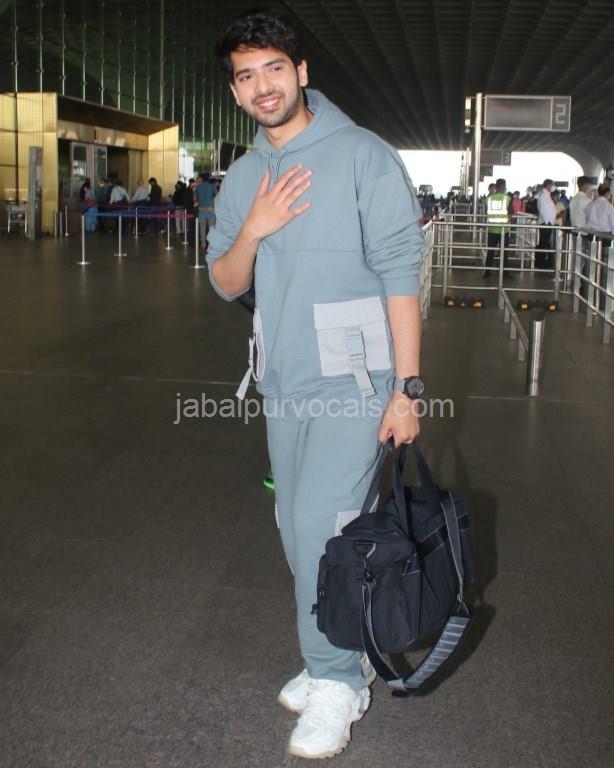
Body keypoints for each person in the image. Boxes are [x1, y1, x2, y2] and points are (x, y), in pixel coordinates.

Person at [209, 9, 423, 759]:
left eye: (274, 68)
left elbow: (401, 273)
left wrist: (408, 389)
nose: (262, 86)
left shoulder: (364, 155)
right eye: (246, 75)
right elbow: (224, 279)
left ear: (301, 72)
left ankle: (336, 679)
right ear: (235, 91)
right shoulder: (244, 176)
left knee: (324, 527)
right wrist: (255, 226)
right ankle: (342, 649)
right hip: (284, 381)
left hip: (355, 383)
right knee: (294, 528)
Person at [483, 178, 513, 279]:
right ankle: (505, 273)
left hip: (492, 229)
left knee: (490, 251)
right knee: (504, 252)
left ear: (496, 186)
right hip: (504, 230)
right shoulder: (507, 198)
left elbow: (487, 212)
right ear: (504, 186)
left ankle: (487, 272)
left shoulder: (489, 199)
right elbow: (510, 214)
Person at [536, 178, 556, 269]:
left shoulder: (546, 195)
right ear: (548, 185)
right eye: (552, 185)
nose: (553, 187)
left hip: (547, 222)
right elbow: (543, 209)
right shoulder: (544, 196)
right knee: (543, 243)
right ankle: (541, 263)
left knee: (544, 242)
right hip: (546, 222)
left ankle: (542, 262)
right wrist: (547, 221)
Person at [194, 172, 217, 250]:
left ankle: (203, 244)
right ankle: (211, 244)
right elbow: (217, 195)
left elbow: (194, 199)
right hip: (211, 208)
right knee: (211, 228)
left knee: (202, 228)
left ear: (202, 179)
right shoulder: (212, 186)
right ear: (208, 178)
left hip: (201, 209)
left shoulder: (198, 187)